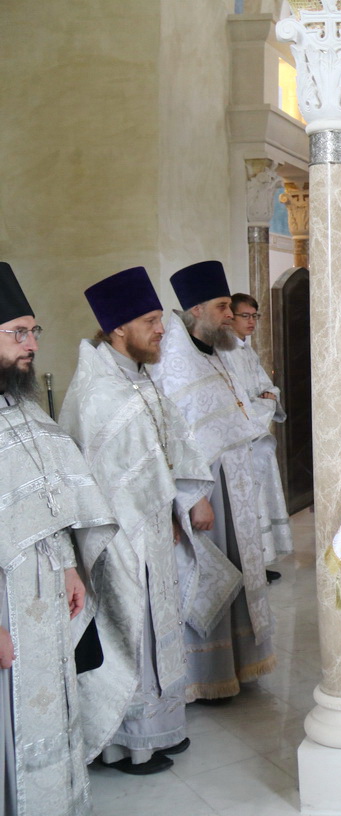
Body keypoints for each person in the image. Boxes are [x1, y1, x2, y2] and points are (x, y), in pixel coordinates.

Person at [61, 266, 241, 775]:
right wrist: (166, 505)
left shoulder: (139, 379)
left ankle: (162, 729)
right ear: (118, 328)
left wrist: (181, 504)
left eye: (161, 318)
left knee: (158, 629)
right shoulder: (97, 394)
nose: (163, 329)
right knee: (130, 633)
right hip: (119, 538)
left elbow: (172, 447)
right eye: (150, 320)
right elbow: (103, 478)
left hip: (155, 528)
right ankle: (126, 744)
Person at [0, 262, 117, 813]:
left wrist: (69, 564)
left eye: (34, 331)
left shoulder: (22, 408)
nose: (31, 345)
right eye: (17, 333)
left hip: (46, 591)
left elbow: (54, 499)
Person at [149, 260, 276, 702]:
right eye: (223, 307)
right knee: (210, 572)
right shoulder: (173, 363)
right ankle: (207, 672)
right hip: (204, 491)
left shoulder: (220, 355)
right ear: (196, 309)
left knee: (240, 568)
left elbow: (238, 415)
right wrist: (194, 499)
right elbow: (173, 440)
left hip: (234, 484)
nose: (230, 315)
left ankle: (240, 663)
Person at [219, 293, 292, 579]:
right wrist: (264, 402)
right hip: (243, 442)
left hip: (259, 440)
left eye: (255, 316)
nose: (251, 322)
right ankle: (248, 568)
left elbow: (266, 386)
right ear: (231, 318)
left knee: (261, 498)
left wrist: (269, 396)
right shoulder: (224, 352)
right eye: (245, 316)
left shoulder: (246, 350)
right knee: (248, 502)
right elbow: (237, 402)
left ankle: (259, 564)